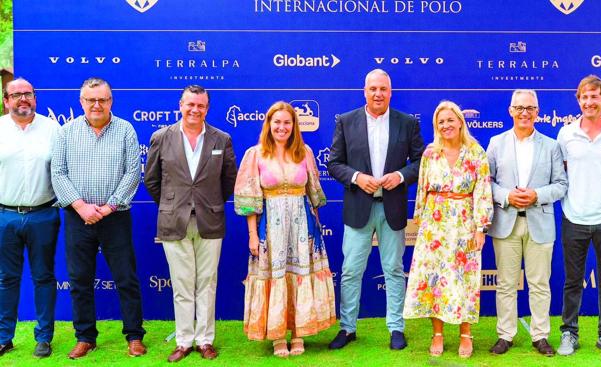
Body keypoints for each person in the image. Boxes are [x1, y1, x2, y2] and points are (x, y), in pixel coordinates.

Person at [327, 69, 425, 350]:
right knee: (350, 271)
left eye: (383, 89)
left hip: (392, 209)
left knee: (394, 269)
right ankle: (347, 328)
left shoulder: (407, 123)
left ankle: (396, 327)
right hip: (359, 207)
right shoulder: (346, 122)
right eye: (373, 89)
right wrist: (357, 178)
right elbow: (334, 164)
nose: (378, 94)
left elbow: (420, 162)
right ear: (364, 91)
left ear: (390, 92)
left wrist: (401, 176)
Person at [51, 77, 146, 359]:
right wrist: (81, 207)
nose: (96, 104)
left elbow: (132, 173)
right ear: (81, 102)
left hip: (114, 216)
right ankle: (85, 337)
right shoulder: (66, 132)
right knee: (80, 279)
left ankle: (134, 336)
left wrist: (108, 207)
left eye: (102, 99)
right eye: (90, 100)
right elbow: (58, 173)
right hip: (77, 217)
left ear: (110, 101)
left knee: (126, 278)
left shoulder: (126, 130)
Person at [234, 101, 335, 357]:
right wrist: (253, 235)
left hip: (303, 226)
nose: (282, 127)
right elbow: (249, 202)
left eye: (287, 122)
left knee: (300, 273)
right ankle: (278, 336)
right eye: (276, 122)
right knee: (274, 275)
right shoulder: (255, 154)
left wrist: (316, 233)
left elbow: (314, 196)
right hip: (271, 227)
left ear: (294, 126)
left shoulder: (305, 152)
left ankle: (298, 332)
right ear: (268, 124)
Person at [144, 85, 237, 362]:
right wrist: (173, 202)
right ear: (180, 105)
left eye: (201, 106)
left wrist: (209, 202)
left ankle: (205, 340)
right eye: (190, 105)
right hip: (174, 221)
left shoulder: (222, 139)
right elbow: (152, 180)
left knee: (207, 282)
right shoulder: (162, 137)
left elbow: (228, 180)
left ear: (207, 108)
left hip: (210, 218)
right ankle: (184, 341)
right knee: (182, 284)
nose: (195, 110)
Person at [403, 101, 493, 358]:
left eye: (450, 120)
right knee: (434, 278)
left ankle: (465, 334)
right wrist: (420, 220)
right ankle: (438, 333)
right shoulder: (431, 153)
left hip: (465, 223)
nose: (446, 126)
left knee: (465, 278)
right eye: (440, 122)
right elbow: (422, 189)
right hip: (435, 225)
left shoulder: (476, 153)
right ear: (436, 126)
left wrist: (481, 228)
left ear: (460, 122)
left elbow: (483, 191)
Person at [486, 90, 567, 356]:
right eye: (519, 107)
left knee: (540, 284)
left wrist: (537, 195)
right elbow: (487, 183)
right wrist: (507, 196)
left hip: (540, 223)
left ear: (538, 111)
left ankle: (540, 335)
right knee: (506, 283)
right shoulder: (496, 143)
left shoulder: (552, 145)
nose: (524, 113)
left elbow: (561, 185)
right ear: (510, 110)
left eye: (530, 108)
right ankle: (505, 335)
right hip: (505, 222)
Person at [556, 75, 601, 358]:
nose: (588, 102)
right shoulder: (566, 134)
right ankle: (569, 334)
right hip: (574, 217)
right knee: (573, 281)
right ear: (578, 100)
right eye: (584, 97)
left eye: (594, 97)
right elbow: (563, 171)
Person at [0, 78, 60, 358]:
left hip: (43, 215)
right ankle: (4, 337)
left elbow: (62, 171)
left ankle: (44, 337)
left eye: (28, 94)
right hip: (5, 216)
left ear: (35, 97)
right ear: (6, 100)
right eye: (16, 95)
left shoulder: (52, 129)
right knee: (6, 279)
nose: (23, 99)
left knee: (44, 277)